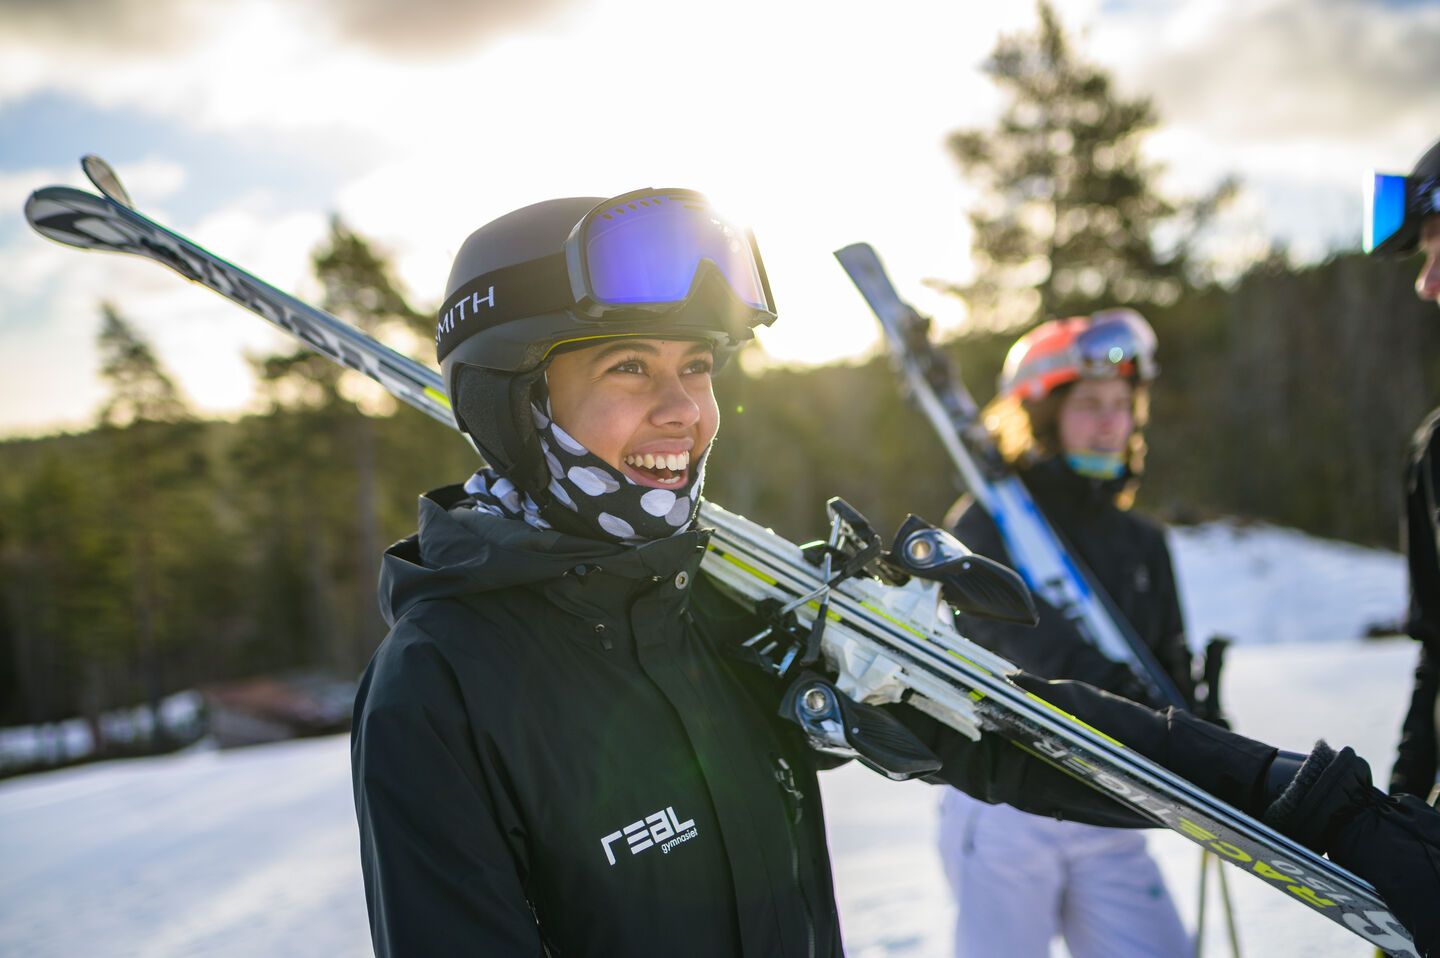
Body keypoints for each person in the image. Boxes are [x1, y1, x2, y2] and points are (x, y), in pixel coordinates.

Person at [349, 187, 1440, 957]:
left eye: (698, 366)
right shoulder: (442, 686)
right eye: (629, 366)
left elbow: (1022, 731)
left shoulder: (722, 601)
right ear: (517, 401)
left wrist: (1319, 808)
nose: (683, 409)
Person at [935, 310, 1193, 958]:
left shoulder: (1145, 543)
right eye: (1089, 405)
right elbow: (1016, 644)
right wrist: (1122, 697)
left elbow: (1170, 661)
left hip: (1110, 804)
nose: (1111, 421)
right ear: (1046, 416)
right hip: (1005, 803)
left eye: (1121, 403)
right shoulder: (989, 524)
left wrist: (1200, 731)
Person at [1368, 139, 1440, 804]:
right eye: (1426, 252)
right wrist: (1406, 812)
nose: (1427, 283)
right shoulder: (1435, 450)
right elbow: (1437, 653)